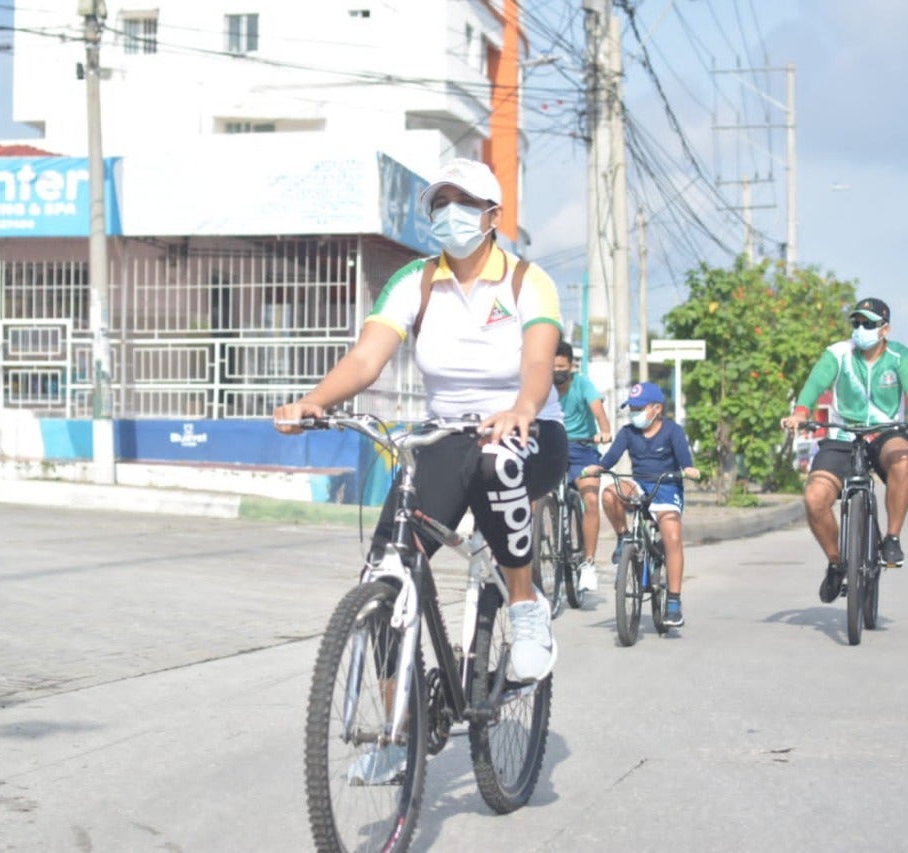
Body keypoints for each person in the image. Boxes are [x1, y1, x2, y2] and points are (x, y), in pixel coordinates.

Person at [273, 158, 566, 685]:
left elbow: (539, 362)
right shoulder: (416, 281)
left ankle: (525, 606)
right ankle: (396, 721)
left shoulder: (527, 281)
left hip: (529, 432)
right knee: (385, 571)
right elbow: (366, 359)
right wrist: (314, 400)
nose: (450, 213)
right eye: (440, 203)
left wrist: (523, 408)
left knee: (497, 463)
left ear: (493, 216)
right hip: (448, 435)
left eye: (465, 203)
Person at [779, 297, 908, 604]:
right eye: (857, 323)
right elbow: (815, 384)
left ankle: (891, 538)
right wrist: (800, 412)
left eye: (868, 324)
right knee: (814, 498)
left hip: (886, 432)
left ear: (885, 329)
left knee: (902, 460)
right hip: (842, 435)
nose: (861, 329)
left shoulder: (901, 356)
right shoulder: (838, 354)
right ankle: (836, 563)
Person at [581, 382, 699, 627]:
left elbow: (685, 462)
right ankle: (624, 537)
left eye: (639, 408)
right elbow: (611, 458)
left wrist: (689, 470)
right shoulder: (628, 432)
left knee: (672, 537)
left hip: (666, 487)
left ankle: (674, 601)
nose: (634, 413)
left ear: (657, 409)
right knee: (610, 493)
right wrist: (598, 467)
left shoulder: (673, 431)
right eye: (632, 408)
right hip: (639, 484)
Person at [553, 340, 612, 592]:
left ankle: (588, 563)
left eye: (561, 367)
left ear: (571, 366)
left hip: (583, 448)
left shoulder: (583, 384)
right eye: (552, 366)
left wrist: (604, 431)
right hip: (553, 447)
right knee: (533, 498)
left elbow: (598, 411)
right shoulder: (543, 385)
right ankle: (535, 551)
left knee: (590, 499)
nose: (556, 371)